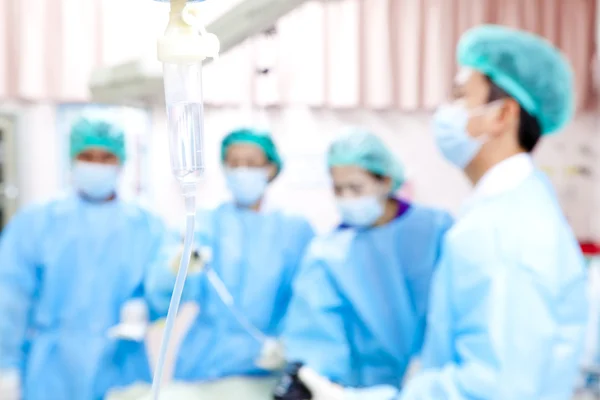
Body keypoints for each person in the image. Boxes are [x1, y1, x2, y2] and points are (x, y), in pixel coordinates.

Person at [296, 24, 588, 400]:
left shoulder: (503, 232)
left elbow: (496, 388)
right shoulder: (513, 212)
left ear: (502, 115)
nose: (444, 112)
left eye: (459, 96)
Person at [0, 118, 166, 400]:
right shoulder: (37, 221)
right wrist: (6, 367)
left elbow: (166, 290)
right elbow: (10, 298)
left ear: (121, 162)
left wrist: (145, 304)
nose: (96, 165)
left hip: (122, 366)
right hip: (52, 370)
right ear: (72, 159)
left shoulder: (147, 225)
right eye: (87, 156)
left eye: (106, 157)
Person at [278, 130, 453, 390]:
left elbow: (453, 305)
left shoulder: (434, 230)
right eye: (339, 189)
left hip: (436, 381)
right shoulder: (328, 252)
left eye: (356, 188)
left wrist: (428, 363)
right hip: (360, 389)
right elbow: (317, 334)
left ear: (385, 181)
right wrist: (322, 383)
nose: (347, 198)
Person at [145, 128, 315, 383]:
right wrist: (175, 266)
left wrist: (291, 343)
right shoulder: (204, 222)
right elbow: (161, 301)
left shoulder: (295, 230)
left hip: (267, 364)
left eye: (251, 164)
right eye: (234, 164)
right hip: (205, 364)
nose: (242, 171)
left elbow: (309, 299)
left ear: (270, 169)